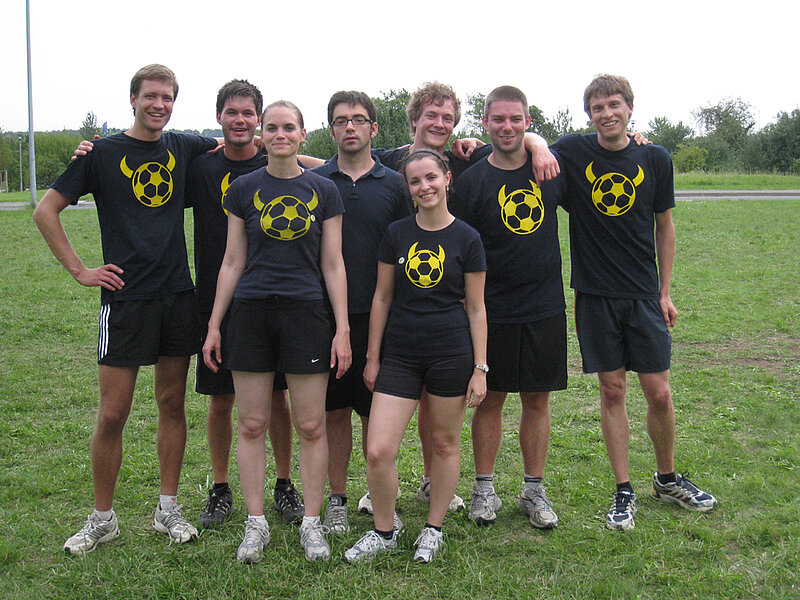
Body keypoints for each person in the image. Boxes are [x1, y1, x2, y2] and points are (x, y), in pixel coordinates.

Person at [33, 64, 218, 554]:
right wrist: (80, 270)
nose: (159, 105)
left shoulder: (184, 146)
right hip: (125, 300)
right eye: (151, 96)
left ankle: (167, 509)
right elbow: (45, 210)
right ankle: (102, 518)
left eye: (167, 97)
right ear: (133, 99)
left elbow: (244, 144)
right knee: (113, 413)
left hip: (177, 295)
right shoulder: (101, 154)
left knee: (172, 404)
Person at [551, 74, 717, 531]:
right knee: (612, 391)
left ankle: (666, 478)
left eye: (614, 105)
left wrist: (665, 291)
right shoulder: (574, 151)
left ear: (629, 108)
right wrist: (521, 140)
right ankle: (623, 489)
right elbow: (529, 144)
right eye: (598, 107)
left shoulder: (654, 157)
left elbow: (665, 226)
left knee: (659, 393)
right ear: (589, 114)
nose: (607, 113)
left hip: (644, 295)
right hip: (595, 295)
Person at [202, 100, 351, 563]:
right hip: (250, 315)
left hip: (307, 316)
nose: (280, 134)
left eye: (289, 127)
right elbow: (232, 261)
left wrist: (342, 329)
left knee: (310, 425)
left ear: (304, 134)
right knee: (251, 424)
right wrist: (214, 324)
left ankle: (311, 523)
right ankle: (256, 523)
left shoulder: (324, 190)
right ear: (261, 135)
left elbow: (333, 263)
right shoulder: (243, 189)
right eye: (272, 127)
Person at [344, 149, 487, 564]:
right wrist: (373, 358)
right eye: (415, 181)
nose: (425, 187)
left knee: (443, 443)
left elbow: (476, 307)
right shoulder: (397, 233)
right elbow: (382, 297)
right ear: (407, 188)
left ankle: (433, 528)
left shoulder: (468, 238)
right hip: (400, 354)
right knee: (378, 450)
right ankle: (384, 531)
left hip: (451, 354)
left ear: (447, 178)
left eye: (431, 178)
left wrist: (480, 367)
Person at [185, 80, 303, 528]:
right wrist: (90, 150)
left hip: (271, 300)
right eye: (231, 112)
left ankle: (284, 483)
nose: (240, 120)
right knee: (221, 400)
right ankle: (220, 488)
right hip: (216, 300)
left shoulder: (276, 161)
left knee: (276, 398)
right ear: (219, 117)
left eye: (248, 113)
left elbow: (322, 165)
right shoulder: (200, 167)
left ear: (259, 120)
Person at [454, 86, 567, 529]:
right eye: (498, 119)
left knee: (537, 399)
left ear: (527, 122)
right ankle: (484, 489)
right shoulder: (472, 181)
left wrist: (540, 146)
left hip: (543, 305)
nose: (507, 127)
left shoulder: (550, 170)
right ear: (484, 123)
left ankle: (533, 490)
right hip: (491, 310)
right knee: (491, 398)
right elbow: (459, 245)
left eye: (515, 119)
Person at [310, 91, 411, 533]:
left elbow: (409, 245)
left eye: (358, 119)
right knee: (334, 413)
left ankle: (378, 496)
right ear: (331, 129)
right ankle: (337, 499)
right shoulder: (315, 182)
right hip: (325, 317)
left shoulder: (396, 185)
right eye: (340, 120)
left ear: (374, 127)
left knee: (375, 413)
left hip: (380, 319)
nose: (349, 127)